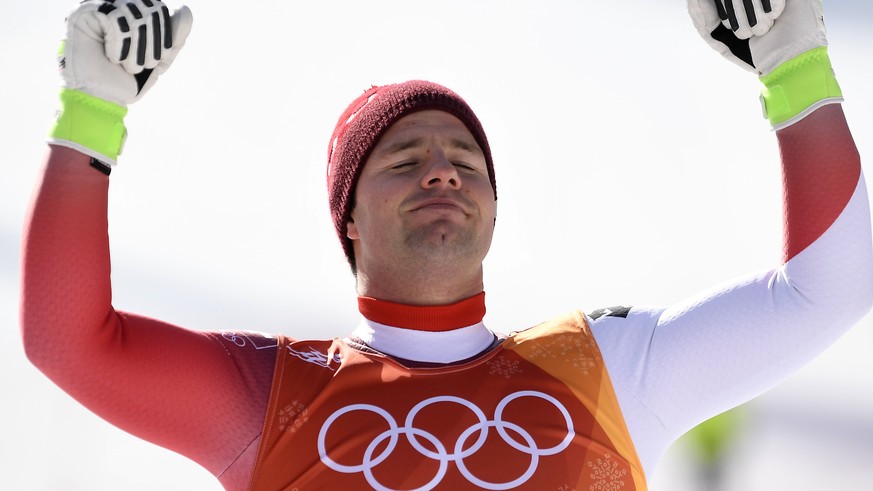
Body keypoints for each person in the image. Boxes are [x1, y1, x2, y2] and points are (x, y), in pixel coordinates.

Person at [20, 0, 872, 489]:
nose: (442, 172)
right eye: (403, 159)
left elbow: (826, 289)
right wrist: (91, 112)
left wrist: (791, 57)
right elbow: (68, 340)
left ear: (494, 210)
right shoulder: (274, 392)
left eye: (465, 159)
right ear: (346, 216)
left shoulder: (608, 366)